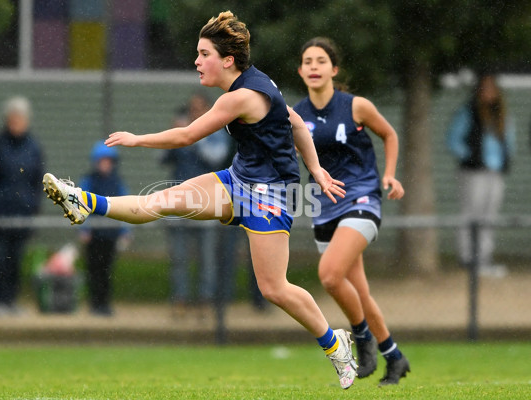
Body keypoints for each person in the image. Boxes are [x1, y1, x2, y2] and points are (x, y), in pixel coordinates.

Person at [42, 11, 357, 389]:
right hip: (238, 182)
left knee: (274, 288)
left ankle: (335, 344)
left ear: (227, 60)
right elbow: (296, 125)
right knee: (158, 202)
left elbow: (186, 136)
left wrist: (137, 138)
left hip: (272, 197)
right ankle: (82, 200)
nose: (196, 61)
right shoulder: (252, 84)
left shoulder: (241, 96)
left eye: (203, 53)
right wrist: (317, 170)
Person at [293, 37, 410, 386]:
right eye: (307, 61)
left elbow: (389, 134)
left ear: (334, 69)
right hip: (323, 207)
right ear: (300, 71)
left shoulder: (357, 106)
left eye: (321, 61)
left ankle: (361, 337)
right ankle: (394, 356)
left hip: (362, 199)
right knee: (358, 292)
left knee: (329, 275)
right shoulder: (295, 115)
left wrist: (389, 174)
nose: (314, 66)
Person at [161, 92, 235, 318]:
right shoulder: (180, 134)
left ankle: (205, 302)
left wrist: (192, 135)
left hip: (206, 203)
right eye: (192, 109)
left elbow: (216, 157)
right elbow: (162, 160)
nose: (195, 113)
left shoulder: (216, 133)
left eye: (199, 109)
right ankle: (180, 301)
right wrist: (174, 136)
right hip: (177, 203)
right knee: (179, 258)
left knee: (207, 259)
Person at [0, 96, 44, 316]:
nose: (17, 122)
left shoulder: (34, 147)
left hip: (22, 214)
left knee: (15, 260)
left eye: (21, 118)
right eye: (13, 118)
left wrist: (33, 204)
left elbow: (39, 180)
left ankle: (12, 301)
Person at [446, 73, 516, 278]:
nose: (488, 93)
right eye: (484, 89)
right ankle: (468, 258)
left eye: (491, 88)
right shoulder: (469, 112)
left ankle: (484, 257)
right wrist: (471, 156)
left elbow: (509, 141)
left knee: (489, 215)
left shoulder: (502, 114)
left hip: (495, 172)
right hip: (473, 171)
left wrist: (505, 159)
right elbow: (453, 140)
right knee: (471, 214)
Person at [79, 142, 131, 316]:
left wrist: (125, 232)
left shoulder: (117, 183)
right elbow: (81, 206)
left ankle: (105, 304)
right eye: (102, 161)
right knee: (93, 270)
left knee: (107, 271)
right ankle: (95, 304)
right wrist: (84, 230)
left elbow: (127, 206)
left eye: (109, 161)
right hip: (94, 235)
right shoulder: (89, 181)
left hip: (110, 235)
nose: (105, 165)